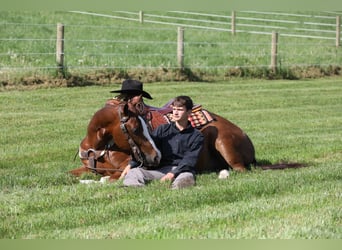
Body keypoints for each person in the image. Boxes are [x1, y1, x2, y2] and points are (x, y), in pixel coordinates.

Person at [123, 95, 204, 189]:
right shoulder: (162, 130)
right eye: (174, 109)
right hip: (162, 169)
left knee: (186, 179)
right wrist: (132, 164)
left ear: (189, 112)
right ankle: (134, 189)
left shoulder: (196, 135)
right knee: (134, 172)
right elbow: (149, 148)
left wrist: (173, 174)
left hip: (183, 170)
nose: (176, 113)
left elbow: (190, 160)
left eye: (180, 110)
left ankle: (176, 191)